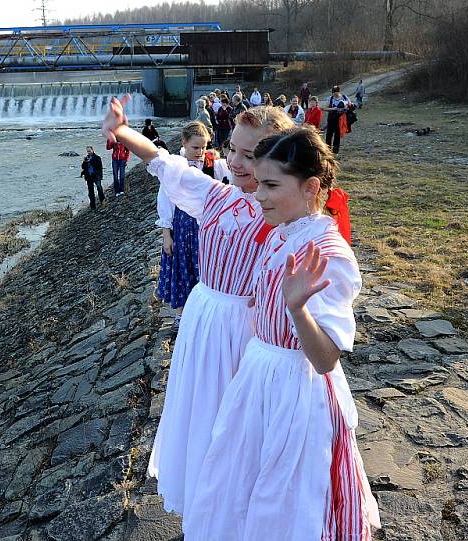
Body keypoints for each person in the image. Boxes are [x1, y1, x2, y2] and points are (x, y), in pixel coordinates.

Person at [102, 97, 295, 523]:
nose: (239, 161)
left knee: (235, 422)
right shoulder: (215, 197)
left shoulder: (281, 216)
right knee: (201, 412)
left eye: (252, 154)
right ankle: (205, 505)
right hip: (203, 322)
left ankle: (237, 507)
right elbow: (163, 161)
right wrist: (122, 130)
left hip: (245, 332)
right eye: (233, 150)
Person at [184, 127, 380, 540]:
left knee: (284, 499)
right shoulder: (283, 230)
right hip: (260, 375)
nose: (259, 195)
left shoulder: (327, 252)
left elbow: (325, 359)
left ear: (311, 187)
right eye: (259, 181)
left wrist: (297, 307)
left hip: (297, 390)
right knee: (240, 480)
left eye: (271, 184)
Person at [156, 121, 230, 324]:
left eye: (204, 147)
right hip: (181, 225)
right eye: (195, 147)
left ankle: (204, 315)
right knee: (182, 267)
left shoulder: (213, 165)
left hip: (207, 226)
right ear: (184, 143)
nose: (200, 151)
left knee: (205, 268)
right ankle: (181, 315)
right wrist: (166, 235)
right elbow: (165, 201)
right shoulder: (175, 167)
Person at [324, 86, 351, 154]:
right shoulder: (330, 98)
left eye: (335, 92)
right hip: (331, 118)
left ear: (338, 92)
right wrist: (334, 108)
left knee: (337, 134)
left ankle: (335, 151)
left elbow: (350, 105)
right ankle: (328, 150)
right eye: (333, 93)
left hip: (340, 118)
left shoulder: (344, 97)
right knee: (329, 134)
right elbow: (325, 108)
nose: (334, 94)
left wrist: (345, 106)